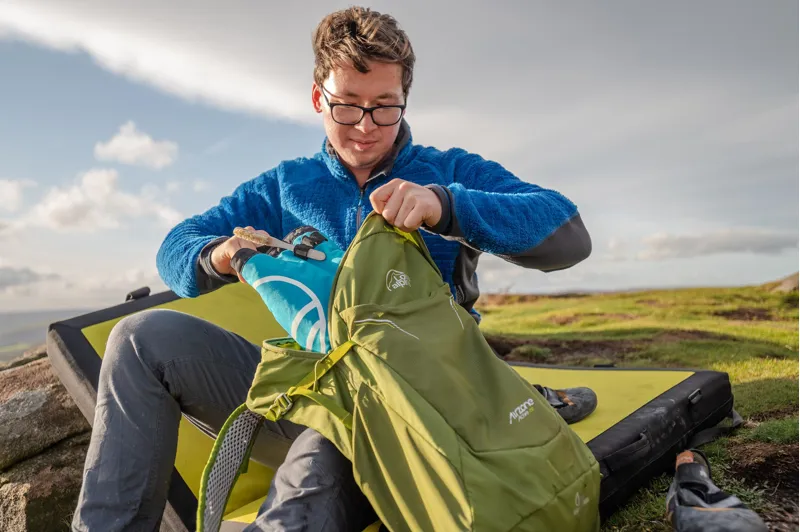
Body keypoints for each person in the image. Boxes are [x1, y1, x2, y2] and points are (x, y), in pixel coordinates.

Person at [71, 6, 594, 531]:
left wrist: (447, 205)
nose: (366, 127)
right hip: (313, 387)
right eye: (347, 106)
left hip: (420, 409)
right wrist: (219, 255)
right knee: (141, 337)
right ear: (318, 96)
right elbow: (175, 246)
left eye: (384, 107)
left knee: (318, 460)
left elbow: (567, 231)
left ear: (404, 99)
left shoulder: (449, 170)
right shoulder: (285, 186)